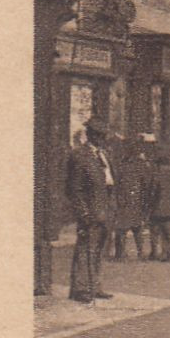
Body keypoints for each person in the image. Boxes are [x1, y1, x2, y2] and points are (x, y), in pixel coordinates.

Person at [65, 118, 116, 304]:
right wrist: (83, 213)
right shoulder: (79, 155)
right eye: (100, 136)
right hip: (91, 211)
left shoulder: (104, 154)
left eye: (104, 136)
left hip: (106, 208)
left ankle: (95, 286)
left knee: (100, 250)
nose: (103, 139)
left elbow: (110, 181)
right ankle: (81, 288)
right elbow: (74, 189)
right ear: (91, 135)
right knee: (85, 249)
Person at [109, 135, 153, 260]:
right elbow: (145, 183)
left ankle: (126, 253)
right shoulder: (135, 164)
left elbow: (145, 182)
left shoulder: (126, 164)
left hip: (128, 198)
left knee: (127, 227)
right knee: (132, 227)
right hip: (131, 199)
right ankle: (134, 252)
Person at [146, 151, 170, 262]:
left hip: (157, 207)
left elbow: (152, 191)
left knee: (154, 231)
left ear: (159, 164)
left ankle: (154, 253)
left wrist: (148, 205)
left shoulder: (156, 175)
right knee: (169, 232)